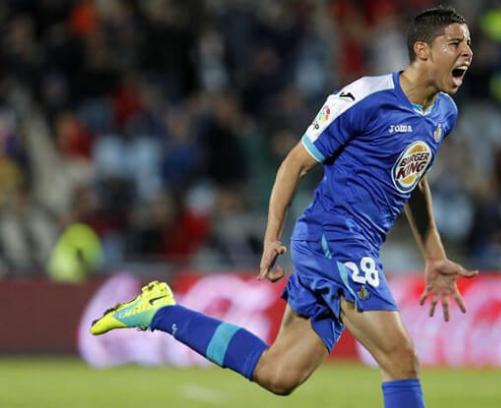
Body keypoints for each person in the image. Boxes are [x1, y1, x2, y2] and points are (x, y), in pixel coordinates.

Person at [90, 5, 476, 407]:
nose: (467, 51)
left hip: (357, 246)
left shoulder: (443, 113)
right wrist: (271, 235)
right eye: (455, 42)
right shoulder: (365, 98)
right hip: (334, 239)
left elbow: (411, 175)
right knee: (401, 358)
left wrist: (433, 255)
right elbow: (295, 163)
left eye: (468, 43)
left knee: (278, 373)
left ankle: (159, 311)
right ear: (423, 50)